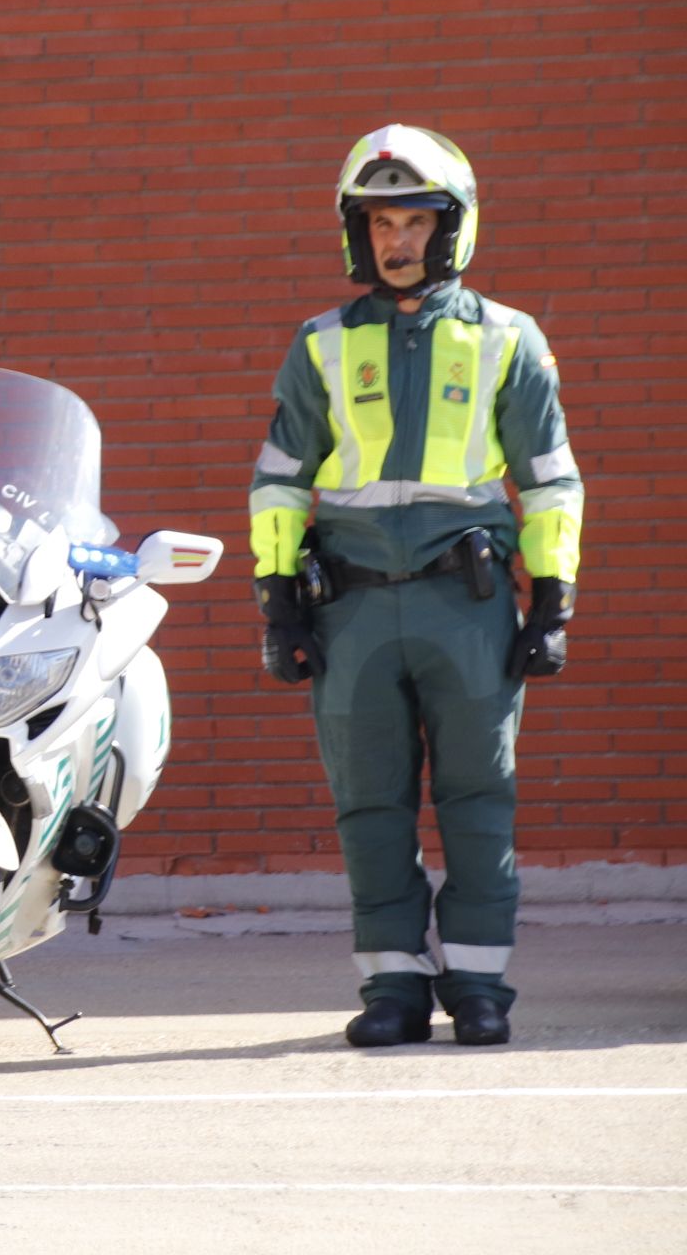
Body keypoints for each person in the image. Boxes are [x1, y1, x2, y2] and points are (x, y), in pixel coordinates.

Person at [248, 125, 583, 1048]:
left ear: (454, 228)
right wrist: (276, 600)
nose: (398, 241)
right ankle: (391, 985)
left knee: (480, 798)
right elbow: (278, 480)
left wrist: (552, 602)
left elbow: (552, 481)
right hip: (349, 608)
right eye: (380, 221)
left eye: (417, 221)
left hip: (465, 604)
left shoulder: (510, 340)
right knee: (369, 805)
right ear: (356, 232)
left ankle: (479, 984)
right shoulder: (318, 347)